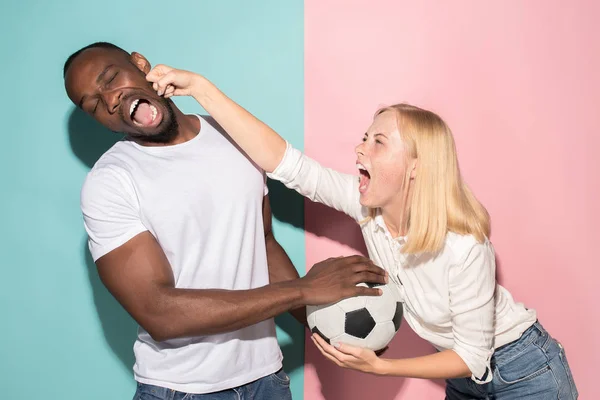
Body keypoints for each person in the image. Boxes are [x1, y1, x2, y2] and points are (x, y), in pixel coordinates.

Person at [145, 64, 579, 399]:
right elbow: (286, 164)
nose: (359, 148)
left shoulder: (464, 245)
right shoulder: (367, 207)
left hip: (525, 368)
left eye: (378, 142)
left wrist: (382, 369)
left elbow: (472, 355)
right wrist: (201, 88)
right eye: (364, 137)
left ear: (415, 168)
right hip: (463, 376)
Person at [63, 42, 388, 400]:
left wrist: (328, 327)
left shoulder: (233, 135)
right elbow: (158, 311)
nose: (109, 101)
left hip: (268, 380)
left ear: (140, 64)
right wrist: (303, 289)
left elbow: (262, 245)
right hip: (181, 389)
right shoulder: (111, 182)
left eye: (110, 78)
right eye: (93, 105)